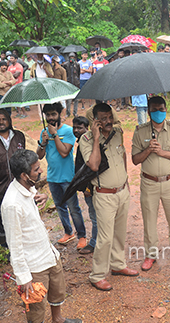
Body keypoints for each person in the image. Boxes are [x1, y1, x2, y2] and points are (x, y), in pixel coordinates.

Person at [1, 149, 82, 323]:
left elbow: (31, 204)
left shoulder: (26, 187)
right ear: (24, 175)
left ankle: (58, 319)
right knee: (36, 307)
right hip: (34, 266)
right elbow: (14, 246)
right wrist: (24, 277)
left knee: (57, 291)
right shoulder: (11, 204)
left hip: (48, 254)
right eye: (36, 169)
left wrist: (41, 196)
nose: (41, 171)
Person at [79, 103, 139, 291]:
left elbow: (122, 157)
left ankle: (118, 265)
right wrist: (97, 139)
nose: (108, 121)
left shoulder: (118, 132)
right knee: (105, 238)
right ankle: (97, 275)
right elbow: (94, 165)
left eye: (110, 117)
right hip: (104, 195)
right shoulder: (86, 139)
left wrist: (127, 181)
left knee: (120, 233)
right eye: (103, 118)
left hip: (121, 191)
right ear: (95, 121)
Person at [132, 96, 170, 271]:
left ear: (166, 109)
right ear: (149, 112)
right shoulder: (140, 131)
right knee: (149, 220)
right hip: (149, 183)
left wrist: (162, 152)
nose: (159, 113)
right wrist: (149, 150)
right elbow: (135, 159)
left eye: (162, 109)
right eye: (155, 110)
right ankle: (151, 255)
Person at [37, 103, 86, 249]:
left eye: (53, 114)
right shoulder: (44, 132)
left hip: (67, 177)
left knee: (74, 208)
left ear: (60, 114)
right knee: (60, 207)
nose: (51, 117)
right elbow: (39, 156)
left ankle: (82, 235)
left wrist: (55, 135)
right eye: (48, 115)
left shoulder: (69, 131)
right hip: (52, 177)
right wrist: (43, 142)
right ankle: (68, 232)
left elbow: (64, 152)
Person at [0, 109, 25, 214]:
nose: (1, 122)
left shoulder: (19, 136)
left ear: (9, 121)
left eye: (4, 119)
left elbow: (24, 159)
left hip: (20, 188)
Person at [72, 116, 97, 255]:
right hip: (87, 186)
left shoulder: (87, 143)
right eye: (74, 127)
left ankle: (94, 243)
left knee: (94, 215)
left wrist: (87, 187)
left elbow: (89, 167)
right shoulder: (81, 142)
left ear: (87, 129)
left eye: (79, 128)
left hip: (90, 187)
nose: (76, 130)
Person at [63, 52, 80, 118]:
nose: (72, 59)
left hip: (76, 84)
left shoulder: (77, 64)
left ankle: (75, 112)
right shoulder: (66, 64)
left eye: (73, 57)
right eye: (70, 57)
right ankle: (68, 113)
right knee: (69, 100)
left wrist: (77, 81)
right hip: (68, 83)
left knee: (76, 99)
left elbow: (78, 73)